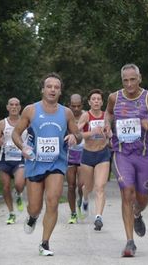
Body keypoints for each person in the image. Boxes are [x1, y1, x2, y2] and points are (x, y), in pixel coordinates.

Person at [12, 72, 82, 256]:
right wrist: (23, 148)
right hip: (35, 163)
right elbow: (16, 134)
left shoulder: (66, 112)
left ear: (60, 92)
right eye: (49, 86)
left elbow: (78, 134)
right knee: (35, 207)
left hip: (57, 164)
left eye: (56, 87)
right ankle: (32, 217)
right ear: (43, 89)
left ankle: (45, 243)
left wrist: (74, 137)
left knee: (52, 201)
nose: (52, 90)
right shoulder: (31, 110)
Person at [104, 63, 148, 257]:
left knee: (141, 199)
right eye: (126, 80)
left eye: (133, 79)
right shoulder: (114, 97)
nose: (129, 84)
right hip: (122, 153)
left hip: (144, 156)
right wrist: (107, 125)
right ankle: (129, 242)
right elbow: (108, 113)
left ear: (139, 79)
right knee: (127, 193)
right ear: (122, 80)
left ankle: (137, 213)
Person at [77, 89, 111, 231]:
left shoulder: (106, 116)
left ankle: (98, 217)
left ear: (102, 102)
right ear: (90, 102)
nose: (96, 101)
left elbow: (110, 133)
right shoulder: (86, 116)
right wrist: (92, 132)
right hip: (88, 155)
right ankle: (85, 200)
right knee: (88, 187)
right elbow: (77, 134)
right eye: (94, 99)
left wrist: (108, 133)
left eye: (99, 99)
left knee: (100, 186)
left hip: (103, 154)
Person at [0, 97, 26, 225]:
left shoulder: (25, 122)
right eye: (11, 104)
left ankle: (18, 194)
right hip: (5, 159)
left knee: (18, 184)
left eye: (17, 104)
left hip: (20, 159)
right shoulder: (2, 123)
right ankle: (11, 213)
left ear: (20, 107)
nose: (14, 107)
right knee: (5, 187)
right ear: (7, 107)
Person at [66, 94, 85, 224]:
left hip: (84, 153)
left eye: (78, 106)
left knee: (81, 186)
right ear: (69, 105)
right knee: (71, 185)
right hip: (70, 154)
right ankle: (73, 213)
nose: (76, 109)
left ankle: (80, 201)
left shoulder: (86, 115)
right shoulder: (65, 116)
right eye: (73, 106)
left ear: (82, 105)